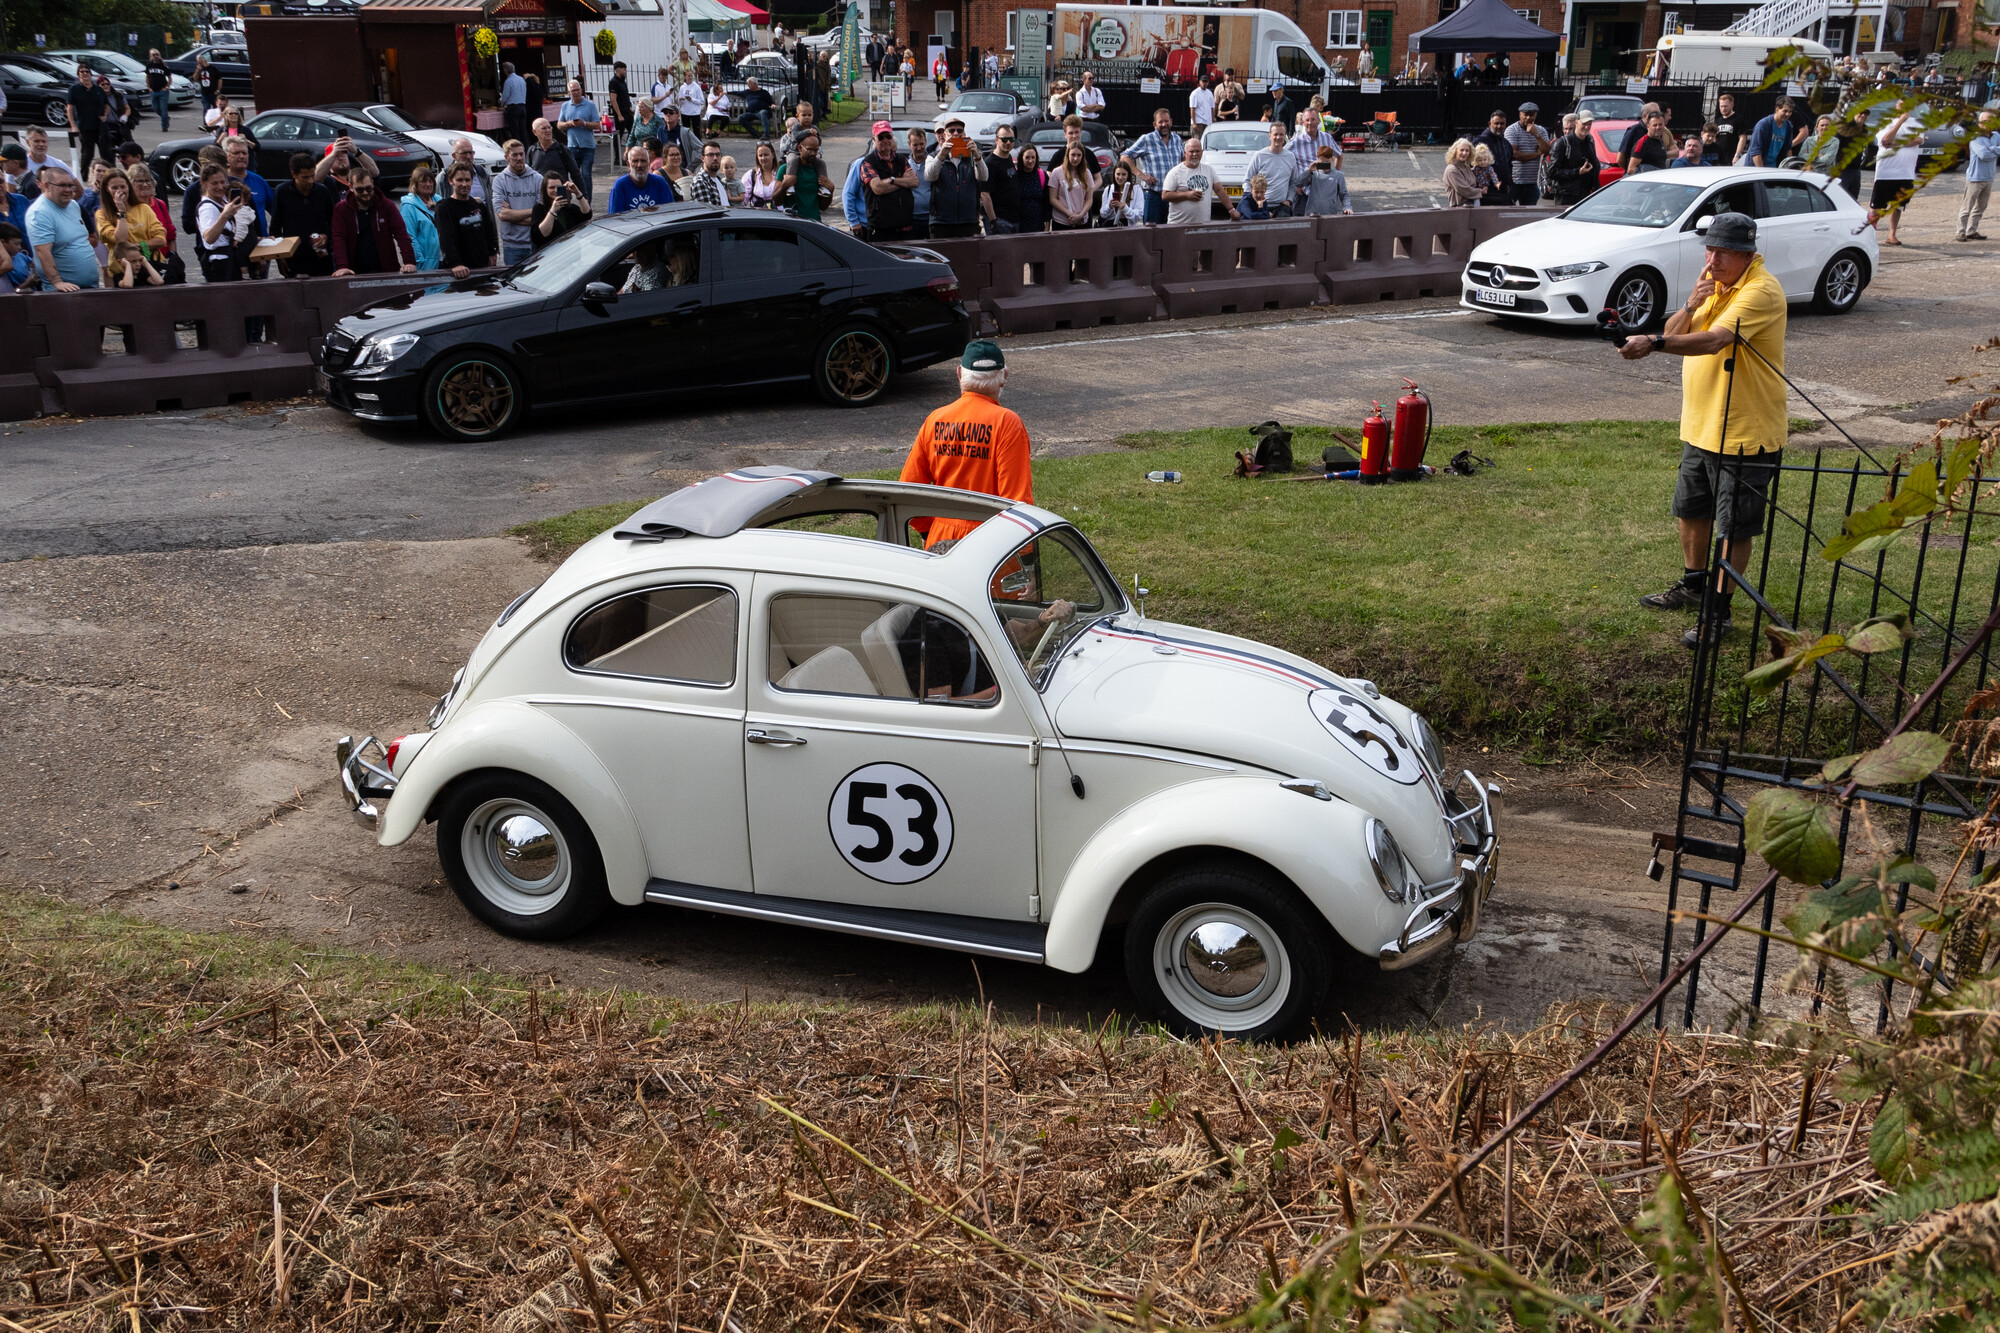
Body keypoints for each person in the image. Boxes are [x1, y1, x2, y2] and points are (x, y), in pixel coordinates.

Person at [1623, 213, 1787, 648]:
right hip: (1701, 426)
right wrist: (1690, 305)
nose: (1711, 260)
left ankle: (1720, 612)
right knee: (1691, 508)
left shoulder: (1759, 292)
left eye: (1722, 253)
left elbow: (1714, 341)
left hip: (1744, 431)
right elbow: (1676, 335)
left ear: (1746, 255)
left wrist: (1652, 342)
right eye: (1709, 250)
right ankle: (1695, 584)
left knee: (1734, 526)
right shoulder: (1714, 288)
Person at [899, 340, 1035, 551]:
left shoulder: (935, 420)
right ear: (1004, 377)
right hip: (992, 540)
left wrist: (927, 530)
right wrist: (1026, 560)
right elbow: (1017, 501)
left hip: (940, 537)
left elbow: (909, 487)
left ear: (960, 374)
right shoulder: (1007, 423)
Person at [331, 171, 419, 276]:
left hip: (386, 269)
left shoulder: (387, 205)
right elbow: (339, 238)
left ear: (373, 183)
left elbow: (401, 234)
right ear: (350, 187)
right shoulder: (342, 209)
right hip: (354, 271)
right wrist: (342, 266)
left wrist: (409, 261)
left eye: (368, 188)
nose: (365, 193)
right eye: (359, 190)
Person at [26, 167, 98, 290]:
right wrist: (57, 282)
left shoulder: (73, 205)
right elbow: (42, 251)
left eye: (71, 186)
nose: (68, 190)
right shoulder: (40, 213)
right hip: (63, 291)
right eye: (62, 186)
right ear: (46, 185)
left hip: (88, 287)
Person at [95, 168, 165, 278]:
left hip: (150, 268)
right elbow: (121, 240)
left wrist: (135, 247)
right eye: (114, 188)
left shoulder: (144, 208)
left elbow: (160, 240)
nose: (120, 191)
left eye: (123, 187)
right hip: (122, 272)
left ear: (129, 187)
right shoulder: (102, 215)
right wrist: (121, 211)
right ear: (107, 190)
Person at [925, 119, 987, 237]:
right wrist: (942, 154)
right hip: (941, 222)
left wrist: (977, 156)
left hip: (968, 221)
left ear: (964, 134)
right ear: (944, 134)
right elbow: (930, 176)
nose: (956, 134)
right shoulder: (933, 156)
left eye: (959, 131)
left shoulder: (971, 157)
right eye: (951, 131)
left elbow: (984, 177)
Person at [1121, 108, 1184, 225]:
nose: (1164, 124)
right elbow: (1124, 157)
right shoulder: (1147, 139)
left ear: (1171, 121)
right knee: (1151, 234)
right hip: (1153, 196)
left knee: (1172, 233)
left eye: (1166, 121)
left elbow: (1183, 159)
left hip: (1173, 197)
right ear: (1155, 124)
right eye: (1160, 122)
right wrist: (1141, 175)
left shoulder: (1177, 139)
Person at [194, 164, 255, 282]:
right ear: (204, 182)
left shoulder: (223, 201)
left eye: (223, 182)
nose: (220, 187)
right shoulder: (207, 208)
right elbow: (209, 238)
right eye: (214, 183)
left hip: (232, 260)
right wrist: (224, 216)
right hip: (221, 264)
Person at [434, 162, 497, 276]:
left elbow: (489, 231)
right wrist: (455, 263)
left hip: (483, 266)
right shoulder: (444, 207)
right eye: (459, 180)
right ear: (450, 181)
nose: (464, 184)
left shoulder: (478, 205)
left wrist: (493, 252)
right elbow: (445, 238)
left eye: (467, 180)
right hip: (460, 269)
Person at [1871, 104, 1921, 246]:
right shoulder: (1885, 122)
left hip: (1906, 172)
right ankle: (1869, 233)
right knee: (1877, 205)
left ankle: (1892, 235)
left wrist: (1895, 143)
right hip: (1886, 172)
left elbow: (1918, 140)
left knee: (1898, 205)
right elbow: (1885, 140)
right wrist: (1900, 122)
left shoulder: (1916, 123)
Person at [860, 123, 919, 241]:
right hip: (880, 230)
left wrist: (892, 181)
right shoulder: (868, 162)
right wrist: (901, 180)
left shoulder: (901, 159)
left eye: (888, 136)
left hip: (904, 228)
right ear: (874, 139)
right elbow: (878, 188)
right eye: (881, 137)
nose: (885, 140)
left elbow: (914, 182)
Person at [491, 140, 541, 265]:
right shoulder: (499, 181)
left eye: (521, 154)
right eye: (514, 155)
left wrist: (512, 215)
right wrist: (533, 211)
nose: (519, 158)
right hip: (512, 247)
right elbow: (503, 215)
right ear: (506, 157)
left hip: (536, 242)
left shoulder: (538, 179)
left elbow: (542, 216)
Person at [1161, 137, 1227, 225]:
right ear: (1185, 153)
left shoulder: (1209, 170)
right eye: (1191, 152)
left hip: (1202, 225)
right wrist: (1187, 195)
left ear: (1202, 152)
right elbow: (1165, 195)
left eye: (1197, 151)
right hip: (1178, 225)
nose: (1195, 154)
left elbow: (1219, 190)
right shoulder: (1175, 172)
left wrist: (1231, 209)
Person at [1958, 112, 1999, 242]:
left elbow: (1990, 152)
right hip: (1975, 177)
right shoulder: (1975, 137)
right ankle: (1960, 231)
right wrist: (1995, 151)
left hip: (1989, 176)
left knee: (1981, 207)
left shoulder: (1996, 136)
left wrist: (1992, 148)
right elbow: (1983, 155)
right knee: (1967, 207)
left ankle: (1972, 230)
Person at [556, 79, 600, 198]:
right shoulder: (565, 106)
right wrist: (570, 124)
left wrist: (584, 124)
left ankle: (587, 201)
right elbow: (559, 125)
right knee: (573, 176)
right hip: (572, 146)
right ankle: (573, 199)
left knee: (586, 175)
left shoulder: (590, 105)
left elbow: (597, 124)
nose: (575, 92)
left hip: (588, 146)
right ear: (569, 93)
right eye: (573, 90)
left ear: (581, 90)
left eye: (577, 90)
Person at [774, 131, 831, 222]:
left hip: (814, 223)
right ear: (800, 148)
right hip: (792, 223)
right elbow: (776, 201)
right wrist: (784, 185)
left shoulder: (818, 171)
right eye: (809, 149)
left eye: (815, 150)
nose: (813, 153)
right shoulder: (785, 169)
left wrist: (831, 189)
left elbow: (823, 207)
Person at [1246, 120, 1299, 215]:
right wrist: (1252, 201)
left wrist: (1289, 200)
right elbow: (1247, 180)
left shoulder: (1290, 157)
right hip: (1260, 206)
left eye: (1281, 134)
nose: (1278, 137)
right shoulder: (1259, 156)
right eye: (1275, 134)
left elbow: (1294, 182)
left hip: (1282, 207)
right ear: (1270, 135)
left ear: (1285, 136)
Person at [1502, 102, 1550, 206]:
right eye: (1525, 114)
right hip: (1514, 181)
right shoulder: (1511, 130)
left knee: (1528, 214)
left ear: (1536, 115)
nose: (1528, 117)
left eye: (1531, 114)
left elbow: (1548, 151)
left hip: (1531, 182)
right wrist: (1537, 154)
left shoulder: (1540, 131)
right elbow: (1515, 155)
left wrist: (1536, 135)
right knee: (1507, 211)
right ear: (1520, 114)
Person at [1547, 114, 1599, 205]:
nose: (1586, 127)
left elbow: (1594, 165)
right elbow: (1551, 172)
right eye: (1584, 124)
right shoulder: (1561, 144)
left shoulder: (1589, 141)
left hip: (1585, 193)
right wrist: (1577, 172)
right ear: (1577, 123)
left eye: (1589, 124)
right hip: (1566, 195)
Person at [398, 164, 442, 270]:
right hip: (425, 262)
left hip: (443, 259)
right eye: (423, 181)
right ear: (415, 184)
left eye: (430, 181)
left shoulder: (439, 200)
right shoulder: (408, 206)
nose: (428, 184)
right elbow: (409, 236)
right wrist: (418, 260)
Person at [530, 171, 590, 250]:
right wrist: (552, 210)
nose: (555, 190)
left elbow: (587, 214)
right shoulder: (539, 208)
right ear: (545, 189)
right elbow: (541, 234)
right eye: (551, 187)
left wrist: (578, 193)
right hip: (549, 255)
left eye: (558, 187)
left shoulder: (569, 208)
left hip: (571, 253)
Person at [66, 65, 107, 180]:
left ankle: (108, 177)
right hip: (84, 127)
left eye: (87, 71)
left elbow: (106, 105)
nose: (84, 73)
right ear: (78, 74)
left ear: (90, 74)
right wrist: (73, 125)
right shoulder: (74, 89)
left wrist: (105, 115)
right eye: (82, 72)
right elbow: (69, 109)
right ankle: (82, 178)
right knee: (87, 155)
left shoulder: (98, 89)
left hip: (100, 126)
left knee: (106, 153)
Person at [610, 143, 674, 213]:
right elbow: (614, 218)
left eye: (643, 161)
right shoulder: (620, 185)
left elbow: (669, 212)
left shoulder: (660, 183)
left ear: (649, 164)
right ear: (628, 164)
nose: (640, 165)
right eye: (635, 161)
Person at [1049, 142, 1098, 230]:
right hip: (1062, 221)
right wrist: (1070, 214)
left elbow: (1089, 199)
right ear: (1067, 155)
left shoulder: (1087, 173)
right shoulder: (1057, 172)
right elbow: (1053, 199)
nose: (1076, 158)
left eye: (1079, 155)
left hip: (1082, 221)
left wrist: (1080, 215)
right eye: (1073, 155)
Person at [982, 127, 1020, 233]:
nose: (1008, 142)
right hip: (1000, 220)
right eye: (1004, 139)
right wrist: (993, 220)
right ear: (996, 140)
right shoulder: (990, 163)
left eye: (1011, 139)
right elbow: (984, 194)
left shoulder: (1008, 157)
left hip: (1013, 219)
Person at [1741, 97, 1797, 167]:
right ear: (1777, 109)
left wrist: (1789, 168)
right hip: (1756, 167)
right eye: (1785, 111)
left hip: (1774, 166)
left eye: (1790, 111)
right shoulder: (1763, 125)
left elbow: (1788, 150)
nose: (1788, 114)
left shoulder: (1788, 126)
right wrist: (1762, 172)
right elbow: (1756, 152)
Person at [1298, 145, 1352, 215]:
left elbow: (1344, 195)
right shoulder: (1313, 173)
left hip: (1329, 214)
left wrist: (1347, 207)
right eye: (1322, 162)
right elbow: (1299, 183)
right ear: (1318, 160)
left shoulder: (1338, 175)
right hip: (1312, 213)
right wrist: (1308, 171)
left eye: (1327, 161)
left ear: (1332, 159)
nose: (1325, 164)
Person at [527, 118, 579, 184]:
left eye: (549, 127)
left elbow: (576, 174)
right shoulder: (532, 150)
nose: (548, 130)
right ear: (534, 132)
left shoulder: (562, 150)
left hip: (560, 192)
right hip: (540, 192)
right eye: (544, 128)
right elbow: (527, 175)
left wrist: (582, 194)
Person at [1012, 144, 1049, 232]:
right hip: (1019, 225)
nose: (1030, 160)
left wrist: (1047, 223)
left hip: (1038, 224)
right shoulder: (1015, 176)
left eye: (1033, 157)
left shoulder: (1042, 175)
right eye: (1027, 157)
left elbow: (1047, 201)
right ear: (1021, 158)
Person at [905, 128, 932, 238]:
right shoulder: (904, 165)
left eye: (921, 144)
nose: (919, 148)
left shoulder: (933, 163)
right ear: (909, 145)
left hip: (931, 218)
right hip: (912, 219)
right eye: (915, 145)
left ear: (926, 142)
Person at [684, 140, 728, 207]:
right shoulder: (700, 182)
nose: (715, 158)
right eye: (710, 155)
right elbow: (708, 214)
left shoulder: (719, 181)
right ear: (703, 158)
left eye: (718, 155)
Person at [0, 222, 38, 294]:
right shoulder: (2, 263)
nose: (19, 247)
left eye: (19, 244)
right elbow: (8, 293)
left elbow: (34, 264)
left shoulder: (20, 256)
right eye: (16, 244)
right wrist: (25, 285)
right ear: (2, 242)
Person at [742, 141, 782, 208]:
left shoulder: (781, 173)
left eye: (766, 155)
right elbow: (743, 200)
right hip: (758, 215)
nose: (763, 158)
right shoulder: (750, 175)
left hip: (779, 215)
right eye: (760, 155)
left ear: (773, 155)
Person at [607, 60, 634, 159]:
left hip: (627, 111)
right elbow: (613, 99)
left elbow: (625, 96)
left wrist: (629, 108)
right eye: (624, 69)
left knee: (633, 132)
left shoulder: (623, 82)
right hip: (620, 113)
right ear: (618, 70)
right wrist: (619, 114)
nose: (625, 71)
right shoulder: (613, 82)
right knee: (618, 135)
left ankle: (632, 153)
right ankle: (617, 157)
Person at [501, 62, 529, 147]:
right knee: (523, 131)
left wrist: (502, 104)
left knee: (515, 131)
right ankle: (525, 149)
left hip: (513, 107)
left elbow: (505, 96)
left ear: (505, 70)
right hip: (523, 106)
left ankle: (517, 149)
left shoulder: (508, 81)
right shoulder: (521, 79)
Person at [145, 49, 173, 133]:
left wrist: (167, 86)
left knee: (163, 109)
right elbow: (147, 77)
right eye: (153, 55)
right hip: (153, 91)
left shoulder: (163, 66)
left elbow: (170, 77)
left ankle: (164, 126)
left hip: (162, 91)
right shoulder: (149, 65)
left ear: (159, 55)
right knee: (155, 108)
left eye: (157, 54)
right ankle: (166, 118)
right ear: (151, 56)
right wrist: (149, 87)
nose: (155, 56)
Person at [1711, 92, 1741, 166]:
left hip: (1731, 155)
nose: (1723, 109)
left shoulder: (1738, 119)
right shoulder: (1717, 121)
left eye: (1726, 106)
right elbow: (1714, 138)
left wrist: (1737, 155)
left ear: (1732, 105)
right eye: (1721, 106)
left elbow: (1742, 138)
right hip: (1718, 155)